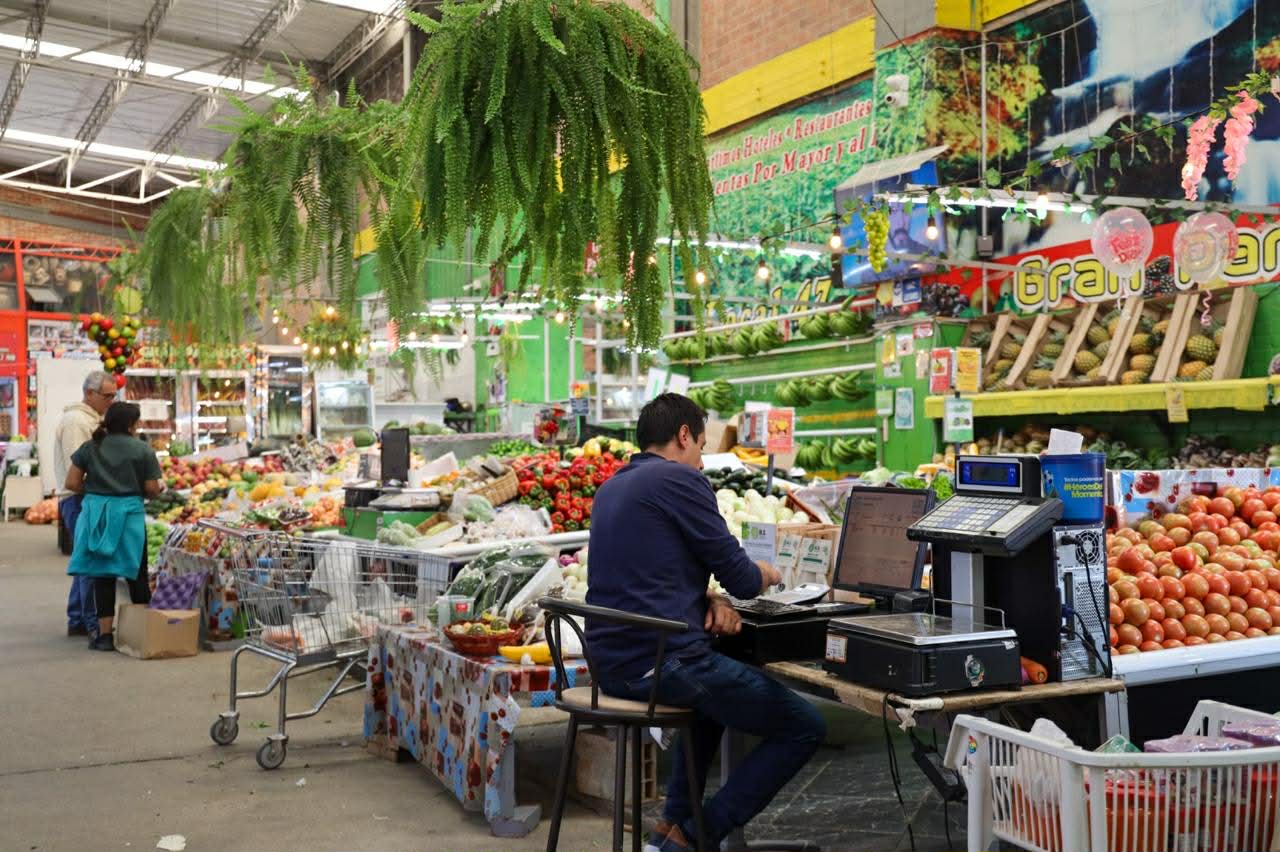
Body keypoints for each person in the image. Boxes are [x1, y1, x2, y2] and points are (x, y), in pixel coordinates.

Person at [587, 393, 826, 852]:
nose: (700, 461)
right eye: (699, 446)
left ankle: (670, 827)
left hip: (611, 664)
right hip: (660, 664)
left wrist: (707, 597)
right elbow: (742, 576)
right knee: (804, 726)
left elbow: (648, 573)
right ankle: (697, 836)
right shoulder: (679, 479)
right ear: (683, 437)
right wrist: (770, 574)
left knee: (712, 699)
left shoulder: (613, 486)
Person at [64, 402, 163, 651]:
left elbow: (72, 483)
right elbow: (152, 488)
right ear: (131, 425)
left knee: (102, 576)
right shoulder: (142, 450)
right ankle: (142, 634)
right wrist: (150, 491)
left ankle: (105, 637)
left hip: (97, 515)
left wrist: (99, 492)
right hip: (129, 517)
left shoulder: (90, 447)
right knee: (135, 574)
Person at [55, 370, 118, 637]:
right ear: (89, 394)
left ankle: (78, 619)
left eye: (114, 396)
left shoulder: (90, 419)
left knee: (85, 561)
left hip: (84, 497)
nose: (111, 401)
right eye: (107, 396)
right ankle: (92, 624)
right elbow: (77, 467)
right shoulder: (76, 422)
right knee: (92, 562)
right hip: (79, 498)